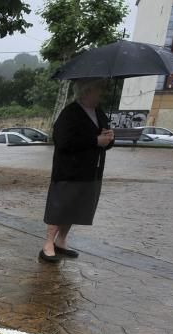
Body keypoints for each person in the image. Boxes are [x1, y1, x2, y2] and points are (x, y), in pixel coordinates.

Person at [40, 78, 115, 263]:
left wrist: (109, 139)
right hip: (69, 171)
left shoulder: (99, 112)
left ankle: (61, 241)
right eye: (98, 89)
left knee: (76, 207)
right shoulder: (70, 113)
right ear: (86, 91)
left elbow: (104, 140)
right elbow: (63, 141)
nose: (101, 93)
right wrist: (95, 141)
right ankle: (48, 244)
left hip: (91, 171)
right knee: (61, 206)